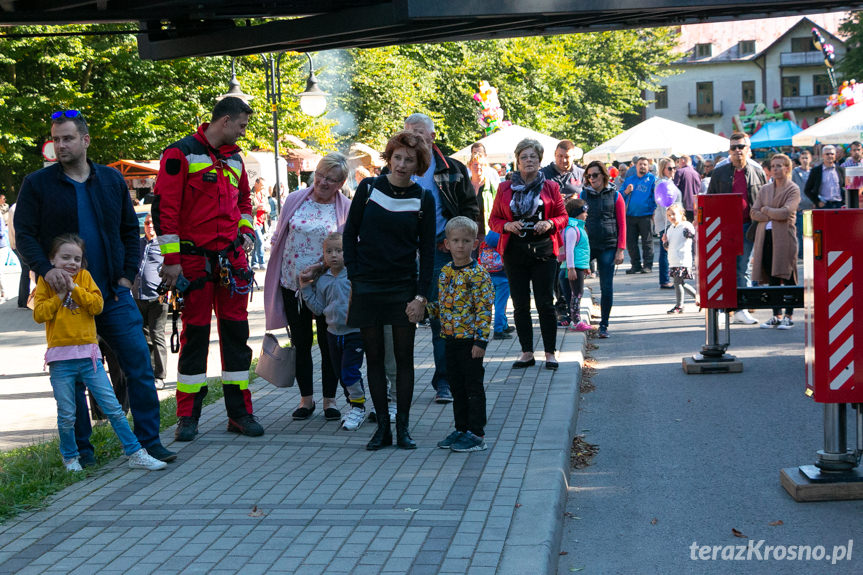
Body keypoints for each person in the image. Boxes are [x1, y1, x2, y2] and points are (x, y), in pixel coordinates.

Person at [15, 110, 174, 465]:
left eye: (67, 138)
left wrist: (124, 277)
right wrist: (43, 270)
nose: (60, 145)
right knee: (74, 377)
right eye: (56, 139)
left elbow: (127, 233)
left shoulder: (110, 181)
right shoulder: (37, 184)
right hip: (67, 299)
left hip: (112, 295)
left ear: (85, 140)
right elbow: (23, 234)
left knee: (139, 366)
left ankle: (149, 442)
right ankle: (83, 453)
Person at [154, 97, 262, 441]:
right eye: (242, 126)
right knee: (195, 337)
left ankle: (240, 413)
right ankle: (187, 416)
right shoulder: (180, 154)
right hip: (193, 262)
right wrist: (172, 262)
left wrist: (246, 232)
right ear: (225, 121)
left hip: (231, 262)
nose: (243, 132)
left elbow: (246, 203)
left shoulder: (235, 158)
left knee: (237, 338)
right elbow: (165, 211)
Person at [33, 234, 167, 472]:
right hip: (61, 362)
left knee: (114, 409)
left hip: (89, 358)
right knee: (66, 415)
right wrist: (60, 296)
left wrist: (74, 289)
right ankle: (71, 458)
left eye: (77, 258)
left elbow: (97, 306)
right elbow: (39, 314)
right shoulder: (46, 282)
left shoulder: (84, 278)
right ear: (52, 259)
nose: (71, 263)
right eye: (65, 257)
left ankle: (135, 452)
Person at [343, 130, 435, 450]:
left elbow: (428, 252)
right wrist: (355, 276)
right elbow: (349, 234)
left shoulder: (423, 198)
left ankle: (403, 428)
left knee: (404, 359)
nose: (401, 164)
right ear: (389, 157)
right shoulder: (368, 188)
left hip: (403, 287)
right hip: (367, 284)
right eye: (397, 157)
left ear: (418, 164)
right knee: (375, 359)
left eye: (409, 160)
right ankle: (381, 427)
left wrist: (421, 297)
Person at [264, 152, 351, 421]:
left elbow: (348, 247)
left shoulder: (345, 207)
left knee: (329, 343)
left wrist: (321, 268)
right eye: (321, 175)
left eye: (332, 179)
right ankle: (306, 400)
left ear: (341, 183)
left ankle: (330, 400)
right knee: (301, 343)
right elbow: (280, 234)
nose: (323, 182)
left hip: (327, 286)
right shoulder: (294, 199)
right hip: (293, 284)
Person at [403, 113, 479, 404]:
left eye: (419, 133)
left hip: (438, 251)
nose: (413, 139)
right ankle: (397, 386)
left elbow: (471, 209)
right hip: (403, 253)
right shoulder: (397, 167)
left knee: (441, 318)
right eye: (409, 133)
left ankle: (444, 382)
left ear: (432, 137)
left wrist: (456, 238)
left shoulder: (453, 169)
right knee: (400, 319)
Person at [489, 138, 567, 369]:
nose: (529, 160)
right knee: (521, 304)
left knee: (545, 303)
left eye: (533, 156)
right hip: (515, 251)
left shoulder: (551, 187)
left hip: (543, 250)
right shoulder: (505, 188)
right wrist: (506, 226)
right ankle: (526, 352)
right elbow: (493, 219)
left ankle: (550, 352)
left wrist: (550, 224)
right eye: (524, 157)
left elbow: (563, 217)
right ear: (518, 161)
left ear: (540, 160)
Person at [429, 216, 493, 453]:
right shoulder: (445, 272)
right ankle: (461, 428)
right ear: (446, 244)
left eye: (466, 241)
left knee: (473, 387)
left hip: (470, 342)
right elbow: (442, 304)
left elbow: (484, 310)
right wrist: (425, 310)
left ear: (475, 244)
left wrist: (481, 341)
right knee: (457, 386)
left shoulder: (478, 275)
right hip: (450, 339)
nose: (460, 246)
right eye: (455, 240)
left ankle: (476, 433)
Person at [300, 232, 367, 430]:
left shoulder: (353, 276)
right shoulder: (323, 280)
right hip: (333, 334)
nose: (334, 255)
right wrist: (305, 287)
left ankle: (358, 407)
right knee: (340, 372)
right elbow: (318, 308)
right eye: (329, 251)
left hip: (354, 333)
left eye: (339, 250)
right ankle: (353, 404)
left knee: (349, 372)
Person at [706, 132, 766, 325]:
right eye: (734, 147)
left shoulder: (757, 170)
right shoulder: (720, 171)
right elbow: (710, 198)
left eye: (741, 147)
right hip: (724, 226)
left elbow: (764, 197)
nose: (738, 151)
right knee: (723, 267)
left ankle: (742, 308)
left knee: (743, 268)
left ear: (748, 149)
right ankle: (725, 309)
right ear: (729, 150)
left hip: (749, 225)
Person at [750, 154, 800, 330]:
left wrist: (766, 210)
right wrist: (772, 212)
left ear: (787, 168)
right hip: (766, 237)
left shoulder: (793, 189)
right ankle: (776, 315)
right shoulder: (764, 189)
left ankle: (789, 315)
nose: (775, 169)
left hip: (785, 237)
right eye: (773, 166)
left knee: (787, 276)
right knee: (771, 278)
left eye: (779, 165)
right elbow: (753, 212)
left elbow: (786, 213)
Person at [580, 161, 626, 338]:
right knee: (567, 275)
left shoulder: (615, 195)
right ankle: (574, 316)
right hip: (588, 245)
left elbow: (622, 223)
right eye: (589, 176)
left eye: (595, 175)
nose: (592, 179)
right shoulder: (584, 194)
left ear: (604, 175)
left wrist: (620, 249)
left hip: (609, 245)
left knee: (606, 287)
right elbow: (578, 220)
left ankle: (604, 325)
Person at [133, 213, 168, 390]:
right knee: (144, 336)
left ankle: (160, 375)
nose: (150, 226)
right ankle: (149, 372)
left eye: (153, 223)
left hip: (158, 297)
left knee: (157, 335)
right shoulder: (138, 244)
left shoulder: (164, 244)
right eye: (147, 223)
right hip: (139, 296)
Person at [622, 157, 656, 274]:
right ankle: (635, 265)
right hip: (630, 215)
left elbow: (655, 197)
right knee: (631, 243)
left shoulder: (652, 179)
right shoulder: (629, 180)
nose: (642, 166)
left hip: (645, 215)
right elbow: (620, 196)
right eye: (640, 164)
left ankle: (647, 266)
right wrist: (626, 191)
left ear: (648, 167)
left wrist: (653, 211)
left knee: (647, 242)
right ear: (635, 166)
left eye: (645, 165)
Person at [562, 197, 591, 332]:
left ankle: (574, 319)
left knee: (576, 294)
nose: (586, 214)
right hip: (573, 268)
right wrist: (571, 268)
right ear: (578, 213)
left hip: (578, 266)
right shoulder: (572, 229)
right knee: (576, 294)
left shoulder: (579, 228)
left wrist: (585, 266)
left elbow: (582, 249)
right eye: (585, 211)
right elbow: (570, 250)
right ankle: (576, 321)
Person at [662, 205, 697, 314]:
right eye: (668, 215)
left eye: (673, 214)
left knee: (677, 283)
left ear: (681, 214)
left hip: (682, 259)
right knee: (680, 283)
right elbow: (668, 247)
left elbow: (692, 235)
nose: (671, 217)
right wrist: (664, 242)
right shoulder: (670, 228)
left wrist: (689, 233)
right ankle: (698, 297)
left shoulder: (685, 225)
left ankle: (679, 306)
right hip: (673, 260)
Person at [479, 230, 513, 339]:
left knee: (494, 303)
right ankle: (498, 330)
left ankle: (504, 325)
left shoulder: (486, 242)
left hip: (488, 277)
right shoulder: (503, 240)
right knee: (500, 305)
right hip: (503, 278)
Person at [654, 158, 682, 290]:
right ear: (662, 169)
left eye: (674, 168)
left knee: (668, 250)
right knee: (665, 250)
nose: (673, 170)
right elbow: (662, 206)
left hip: (672, 220)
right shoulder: (662, 183)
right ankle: (664, 280)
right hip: (667, 222)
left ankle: (667, 278)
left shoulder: (669, 181)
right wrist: (671, 221)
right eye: (669, 168)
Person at [6, 203, 33, 308]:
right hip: (20, 244)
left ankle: (22, 300)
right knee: (27, 270)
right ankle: (24, 300)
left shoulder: (14, 207)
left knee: (25, 271)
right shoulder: (19, 207)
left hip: (16, 244)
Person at [803, 145, 845, 209]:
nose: (830, 156)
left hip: (839, 205)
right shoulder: (816, 171)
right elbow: (807, 190)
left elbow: (845, 187)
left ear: (835, 156)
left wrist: (844, 201)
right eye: (827, 154)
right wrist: (817, 202)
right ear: (823, 156)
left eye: (832, 154)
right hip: (824, 205)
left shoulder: (841, 170)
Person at [792, 150, 813, 259]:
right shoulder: (795, 172)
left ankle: (810, 252)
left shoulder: (813, 172)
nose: (805, 160)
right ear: (799, 159)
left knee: (811, 232)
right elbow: (792, 188)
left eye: (806, 157)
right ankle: (802, 253)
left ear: (811, 159)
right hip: (800, 207)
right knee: (802, 232)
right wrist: (795, 204)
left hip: (812, 205)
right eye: (802, 158)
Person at [673, 155, 702, 223]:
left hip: (684, 206)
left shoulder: (680, 171)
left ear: (682, 161)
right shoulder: (697, 173)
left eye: (678, 162)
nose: (678, 164)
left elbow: (674, 189)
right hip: (696, 206)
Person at [250, 177, 269, 270]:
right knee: (260, 241)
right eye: (261, 186)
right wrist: (257, 207)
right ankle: (261, 261)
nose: (262, 188)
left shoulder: (263, 194)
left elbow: (268, 207)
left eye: (264, 186)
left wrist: (266, 209)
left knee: (257, 243)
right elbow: (247, 208)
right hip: (254, 222)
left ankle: (254, 262)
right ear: (256, 184)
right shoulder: (250, 195)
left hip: (262, 222)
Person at [842, 140, 862, 205]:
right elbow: (841, 182)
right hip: (850, 196)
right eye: (854, 150)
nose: (856, 152)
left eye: (858, 150)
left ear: (862, 150)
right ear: (850, 151)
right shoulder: (844, 166)